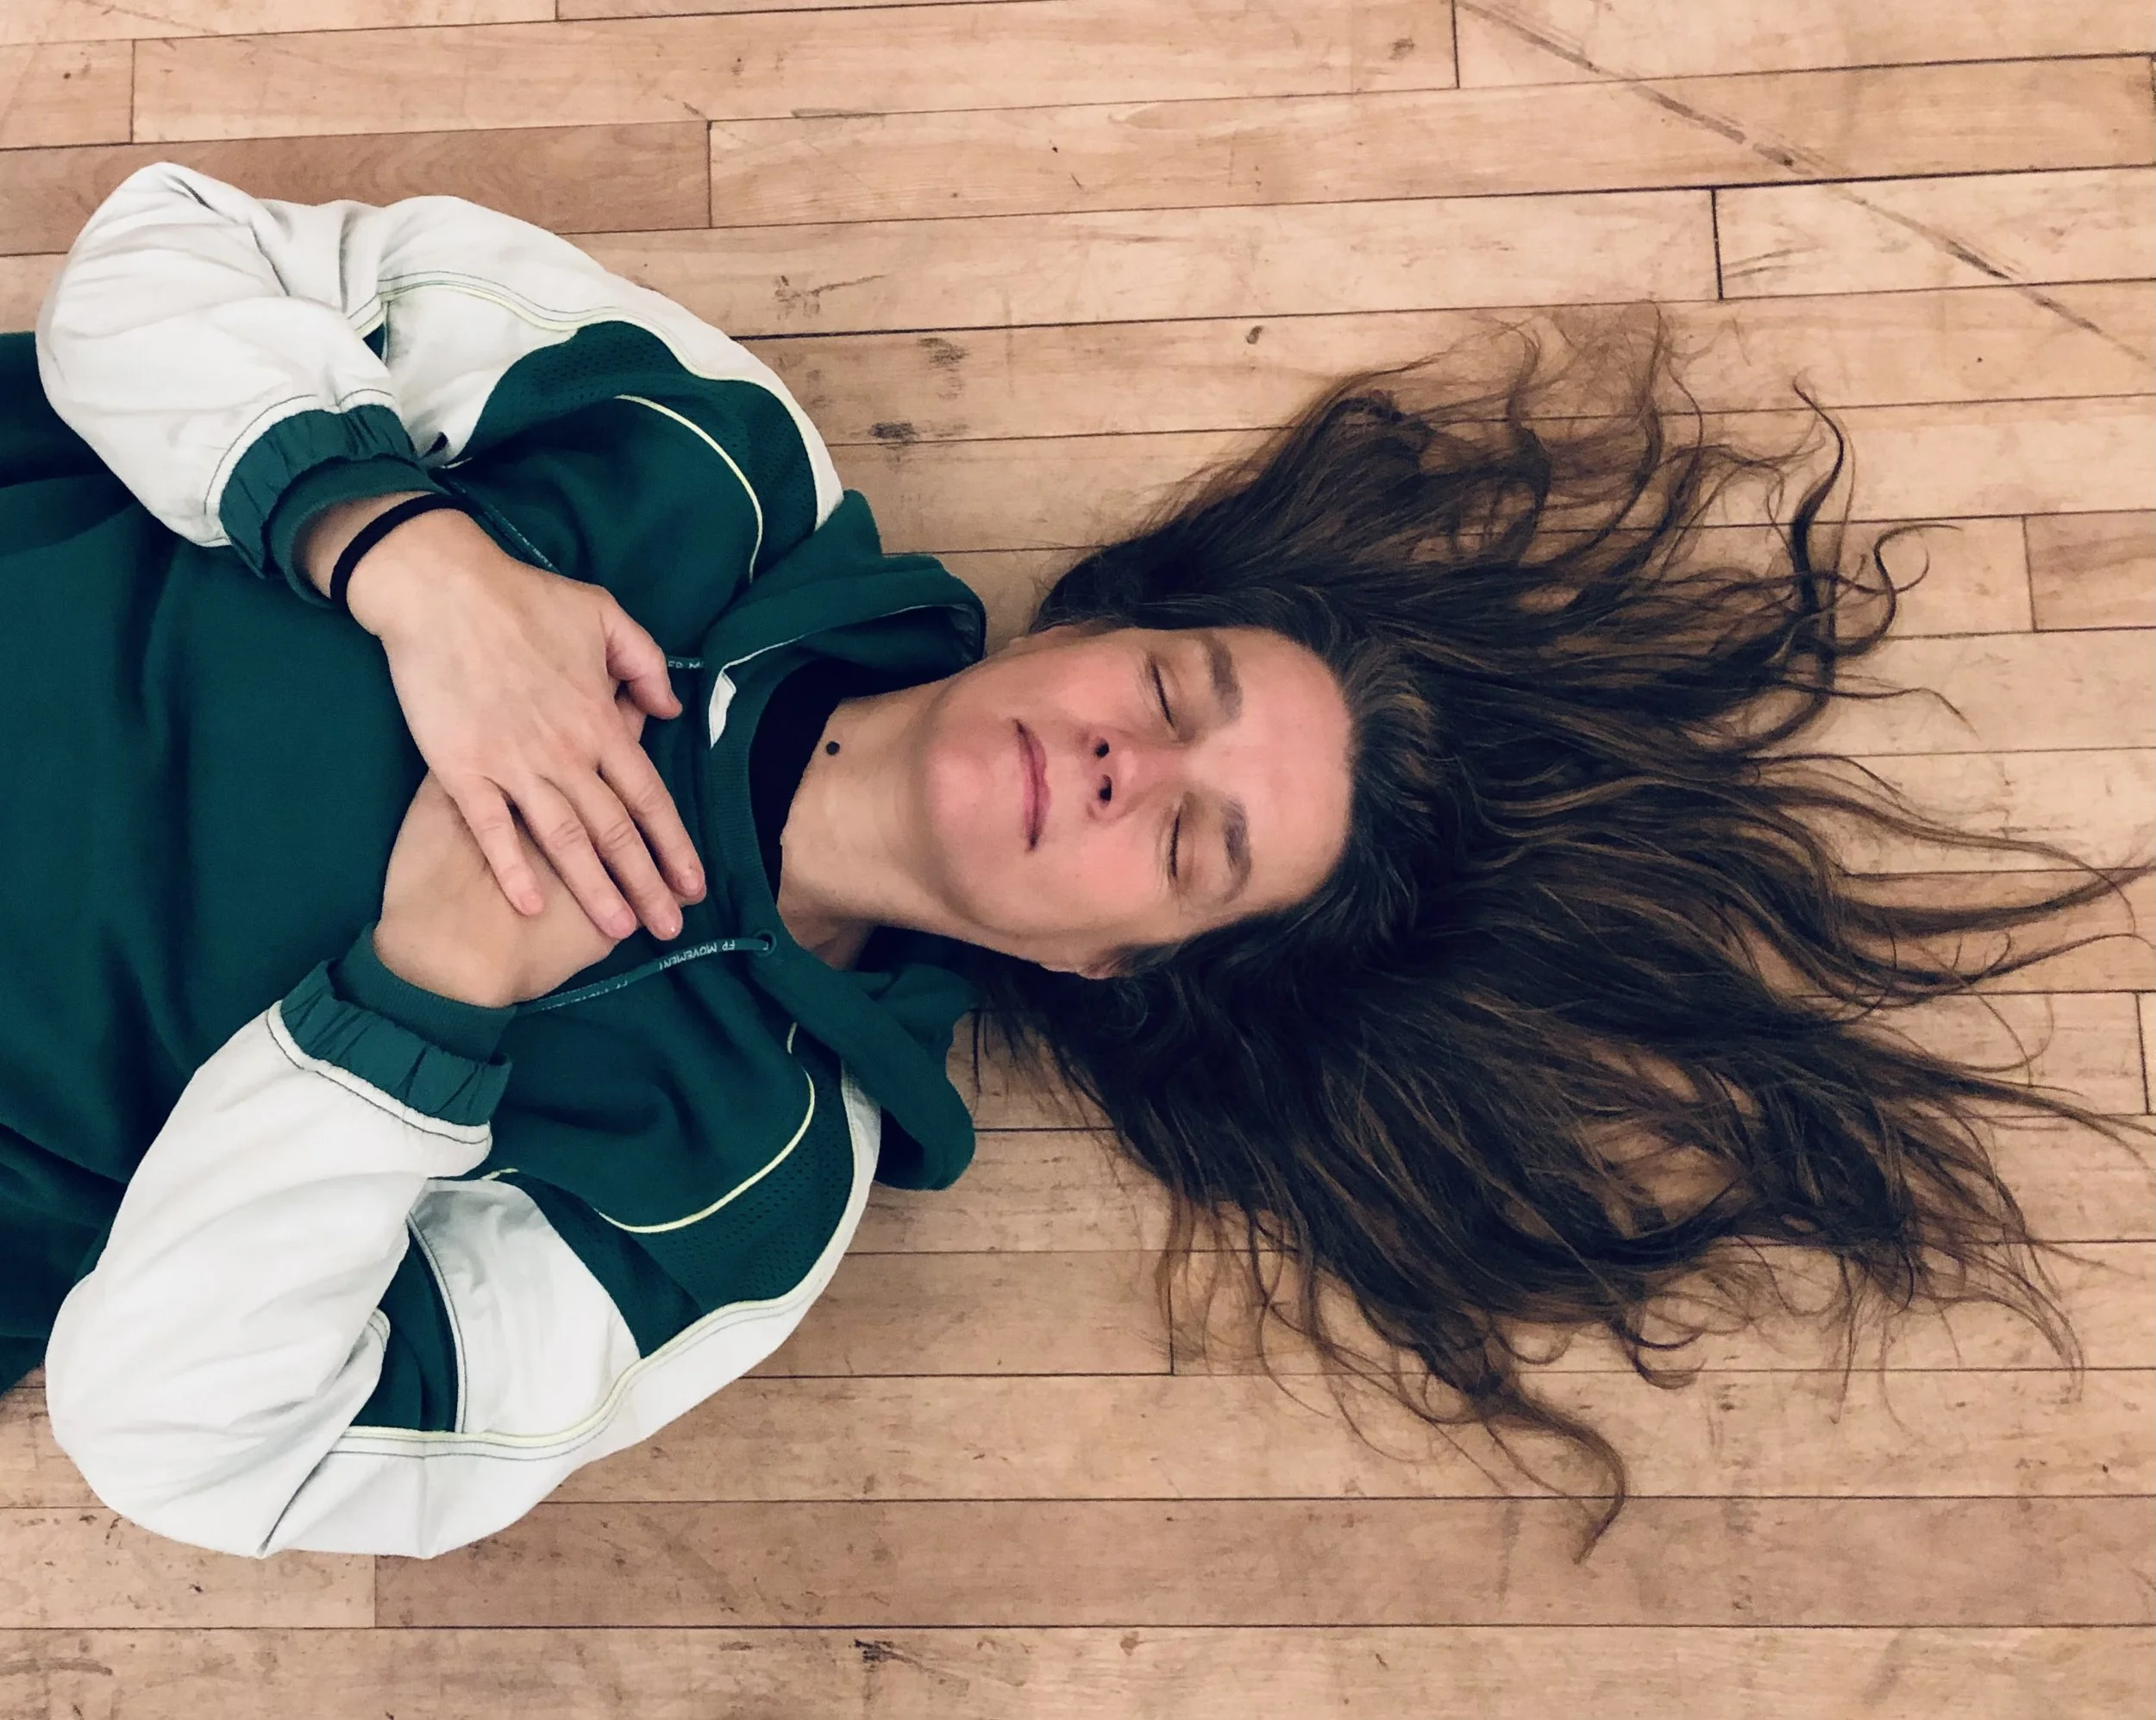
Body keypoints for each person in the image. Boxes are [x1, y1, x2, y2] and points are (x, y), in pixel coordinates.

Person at [1, 163, 2139, 1562]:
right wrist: (409, 554)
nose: (1127, 763)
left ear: (1128, 967)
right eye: (1185, 686)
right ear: (1112, 616)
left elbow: (193, 1444)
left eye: (1193, 846)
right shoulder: (702, 460)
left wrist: (416, 1006)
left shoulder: (738, 1186)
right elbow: (163, 256)